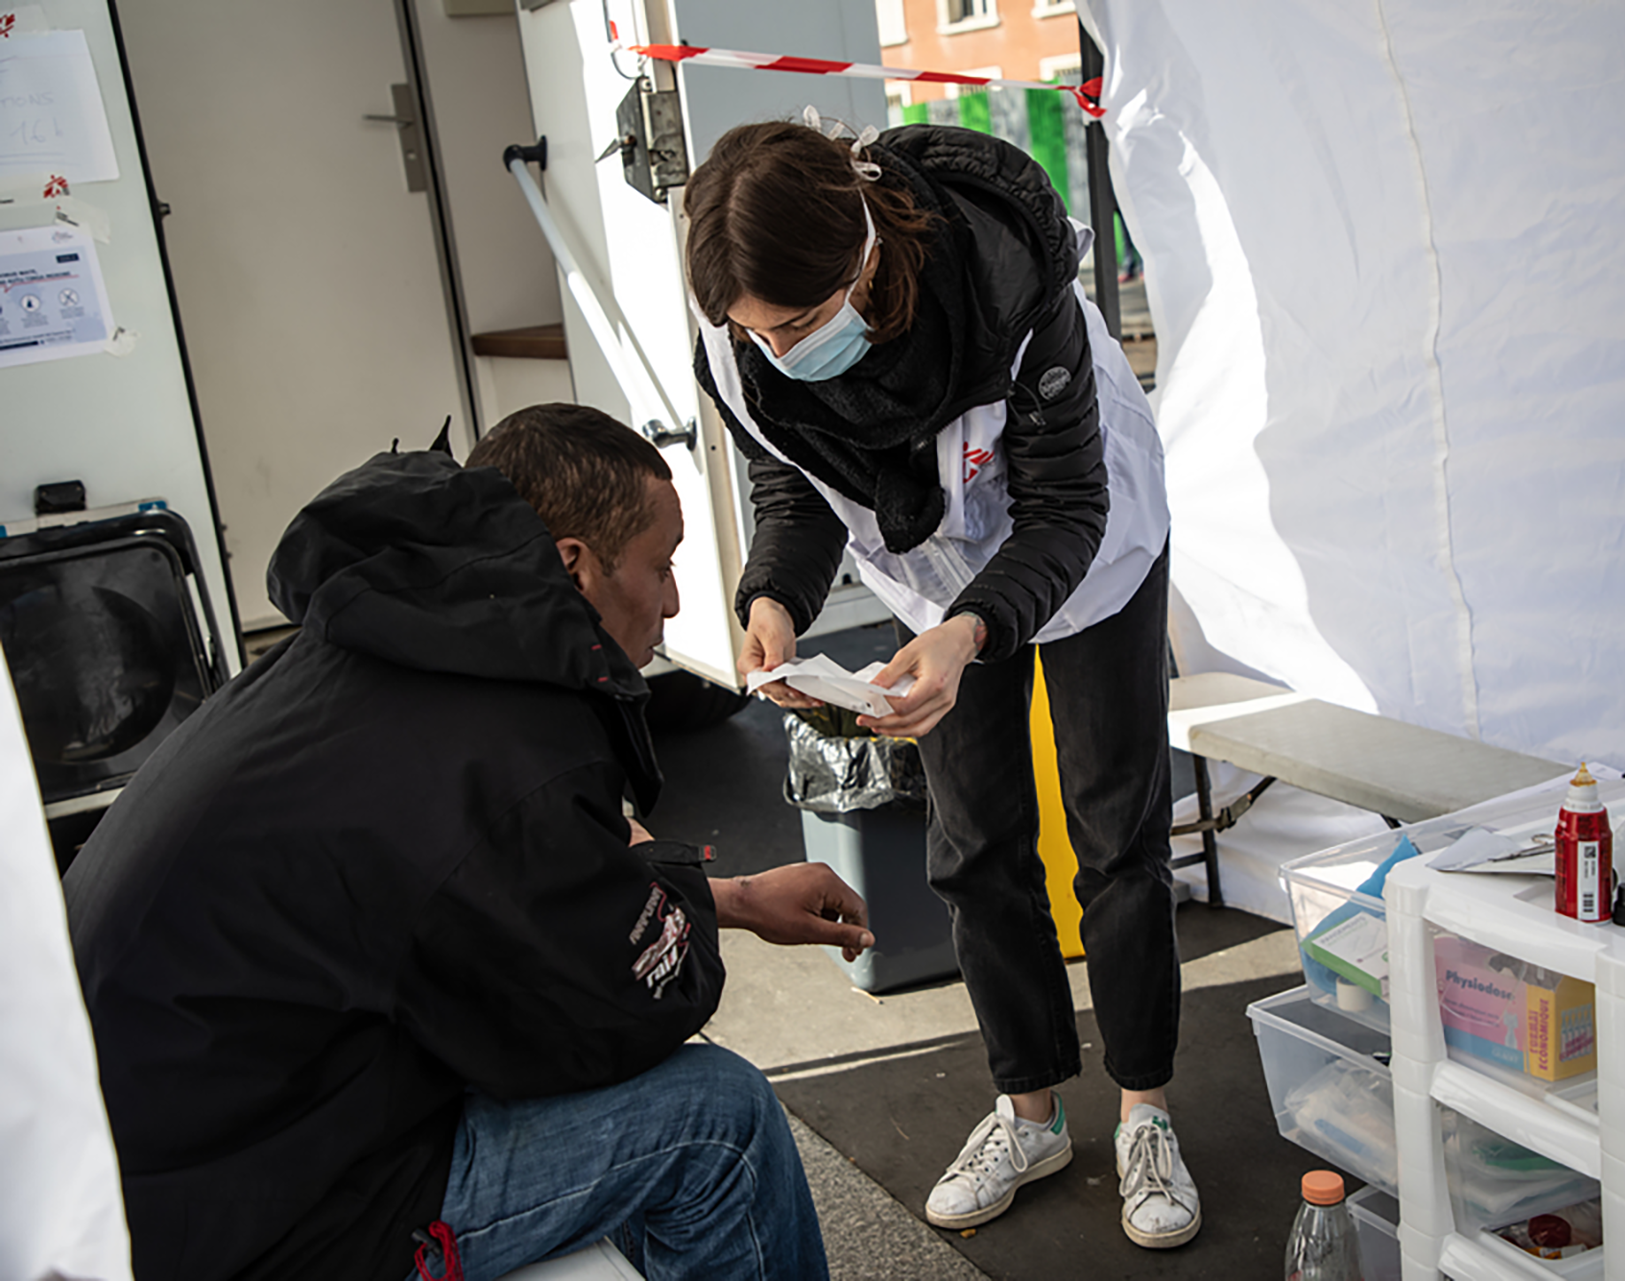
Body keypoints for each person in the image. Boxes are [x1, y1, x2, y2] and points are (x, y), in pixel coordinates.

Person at [62, 404, 873, 1281]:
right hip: (262, 1217)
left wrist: (733, 898)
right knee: (720, 1120)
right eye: (662, 566)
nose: (674, 599)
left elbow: (472, 907)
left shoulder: (390, 644)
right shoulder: (500, 749)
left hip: (146, 1163)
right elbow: (629, 1005)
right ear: (575, 565)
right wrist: (649, 890)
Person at [684, 116, 1196, 1249]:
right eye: (754, 332)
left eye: (801, 325)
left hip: (1087, 549)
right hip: (937, 572)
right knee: (973, 849)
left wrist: (970, 634)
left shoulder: (1015, 286)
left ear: (865, 259)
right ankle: (1030, 1111)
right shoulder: (741, 335)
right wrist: (773, 599)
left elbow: (1066, 512)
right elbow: (796, 492)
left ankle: (1147, 1111)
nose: (776, 350)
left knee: (1117, 833)